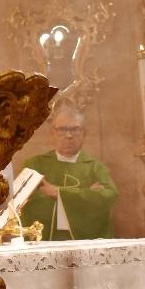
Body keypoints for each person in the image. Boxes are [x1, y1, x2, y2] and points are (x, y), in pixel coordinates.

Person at [21, 103, 119, 241]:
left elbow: (107, 197)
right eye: (62, 129)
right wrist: (86, 193)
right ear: (52, 133)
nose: (68, 135)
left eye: (75, 129)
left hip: (84, 241)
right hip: (45, 240)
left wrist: (58, 193)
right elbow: (21, 201)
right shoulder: (35, 165)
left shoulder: (95, 167)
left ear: (84, 133)